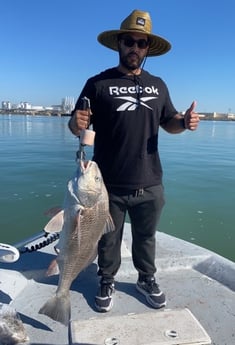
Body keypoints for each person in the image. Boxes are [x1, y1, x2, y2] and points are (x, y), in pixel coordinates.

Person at [68, 9, 200, 312]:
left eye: (142, 44)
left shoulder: (159, 85)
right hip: (107, 183)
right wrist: (77, 123)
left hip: (151, 180)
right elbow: (77, 127)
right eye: (129, 41)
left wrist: (186, 121)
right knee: (107, 239)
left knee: (146, 238)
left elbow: (170, 122)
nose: (135, 49)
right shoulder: (98, 84)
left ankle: (146, 278)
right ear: (119, 44)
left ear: (148, 49)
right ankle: (106, 278)